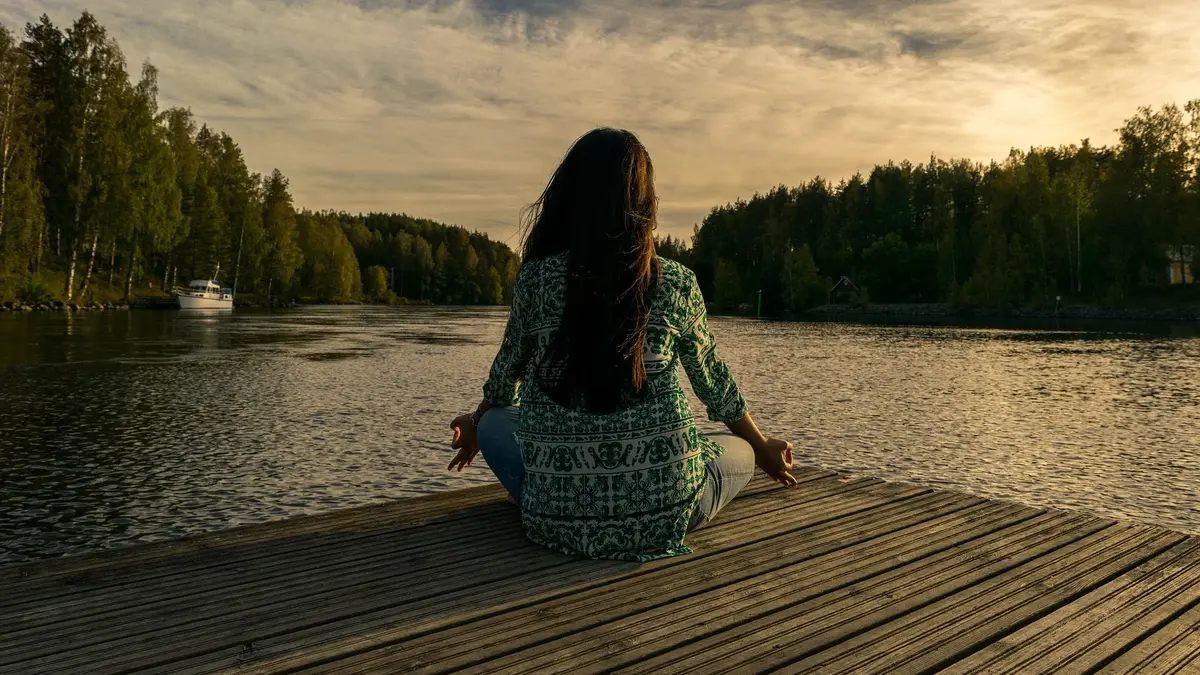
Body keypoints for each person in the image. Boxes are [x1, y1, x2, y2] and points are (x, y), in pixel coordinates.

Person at [448, 128, 796, 562]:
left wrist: (479, 420)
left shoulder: (536, 280)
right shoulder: (676, 282)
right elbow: (715, 386)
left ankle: (544, 494)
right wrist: (762, 447)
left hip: (555, 520)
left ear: (569, 197)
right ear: (644, 203)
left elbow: (504, 382)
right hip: (665, 513)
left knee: (498, 421)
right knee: (739, 449)